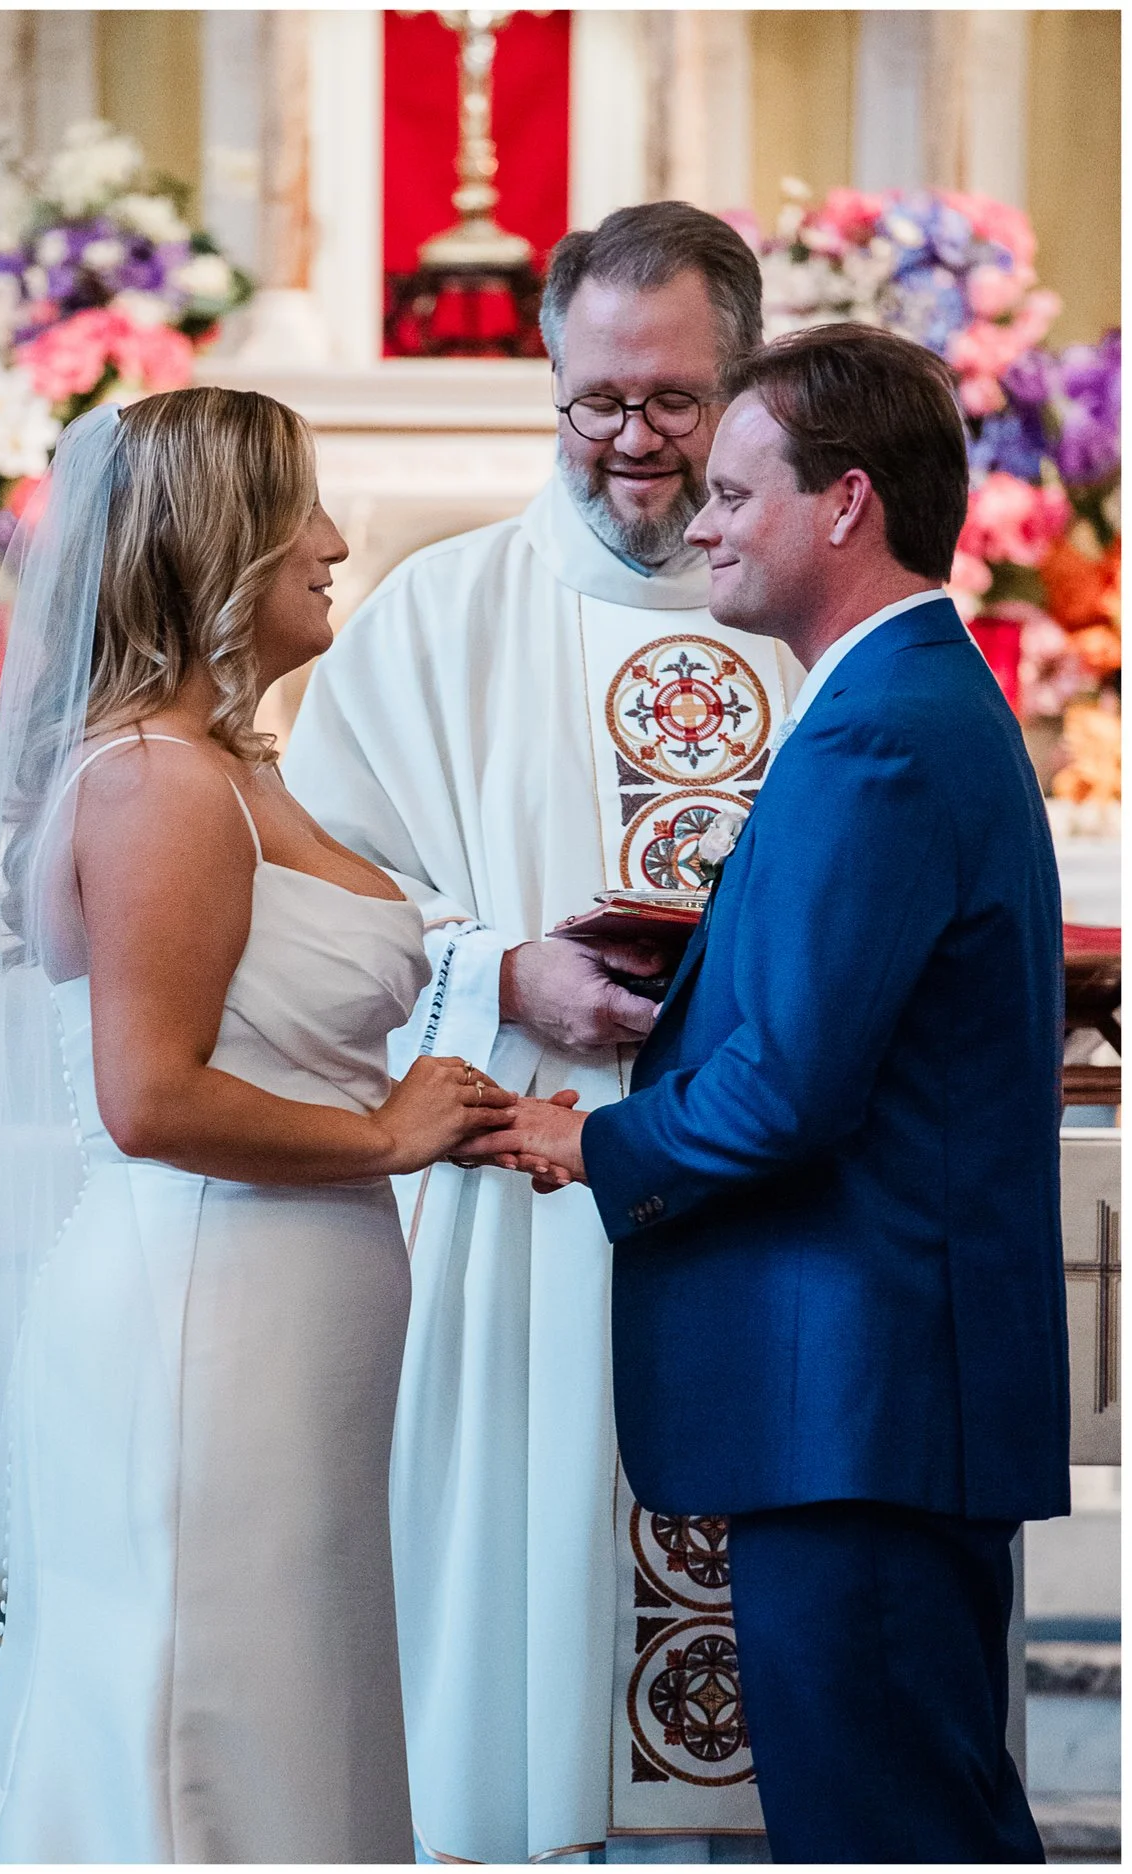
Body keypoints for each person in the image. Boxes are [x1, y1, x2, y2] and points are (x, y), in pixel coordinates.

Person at [480, 325, 1069, 1864]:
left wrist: (589, 1140)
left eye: (738, 492)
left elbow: (792, 1089)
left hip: (855, 1402)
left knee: (887, 1824)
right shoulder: (912, 697)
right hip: (873, 1394)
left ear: (848, 503)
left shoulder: (875, 731)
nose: (705, 520)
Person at [0, 390, 520, 1862]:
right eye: (299, 512)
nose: (332, 541)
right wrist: (385, 1134)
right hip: (205, 1313)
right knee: (205, 1730)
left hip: (277, 1315)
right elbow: (152, 1095)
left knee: (283, 1709)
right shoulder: (158, 782)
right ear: (216, 545)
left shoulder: (231, 768)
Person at [280, 201, 798, 1860]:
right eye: (597, 402)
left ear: (747, 384)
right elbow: (307, 910)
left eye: (674, 401)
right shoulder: (436, 620)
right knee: (539, 1590)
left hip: (765, 1192)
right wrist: (499, 973)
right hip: (522, 1188)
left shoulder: (808, 605)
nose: (633, 443)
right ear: (552, 385)